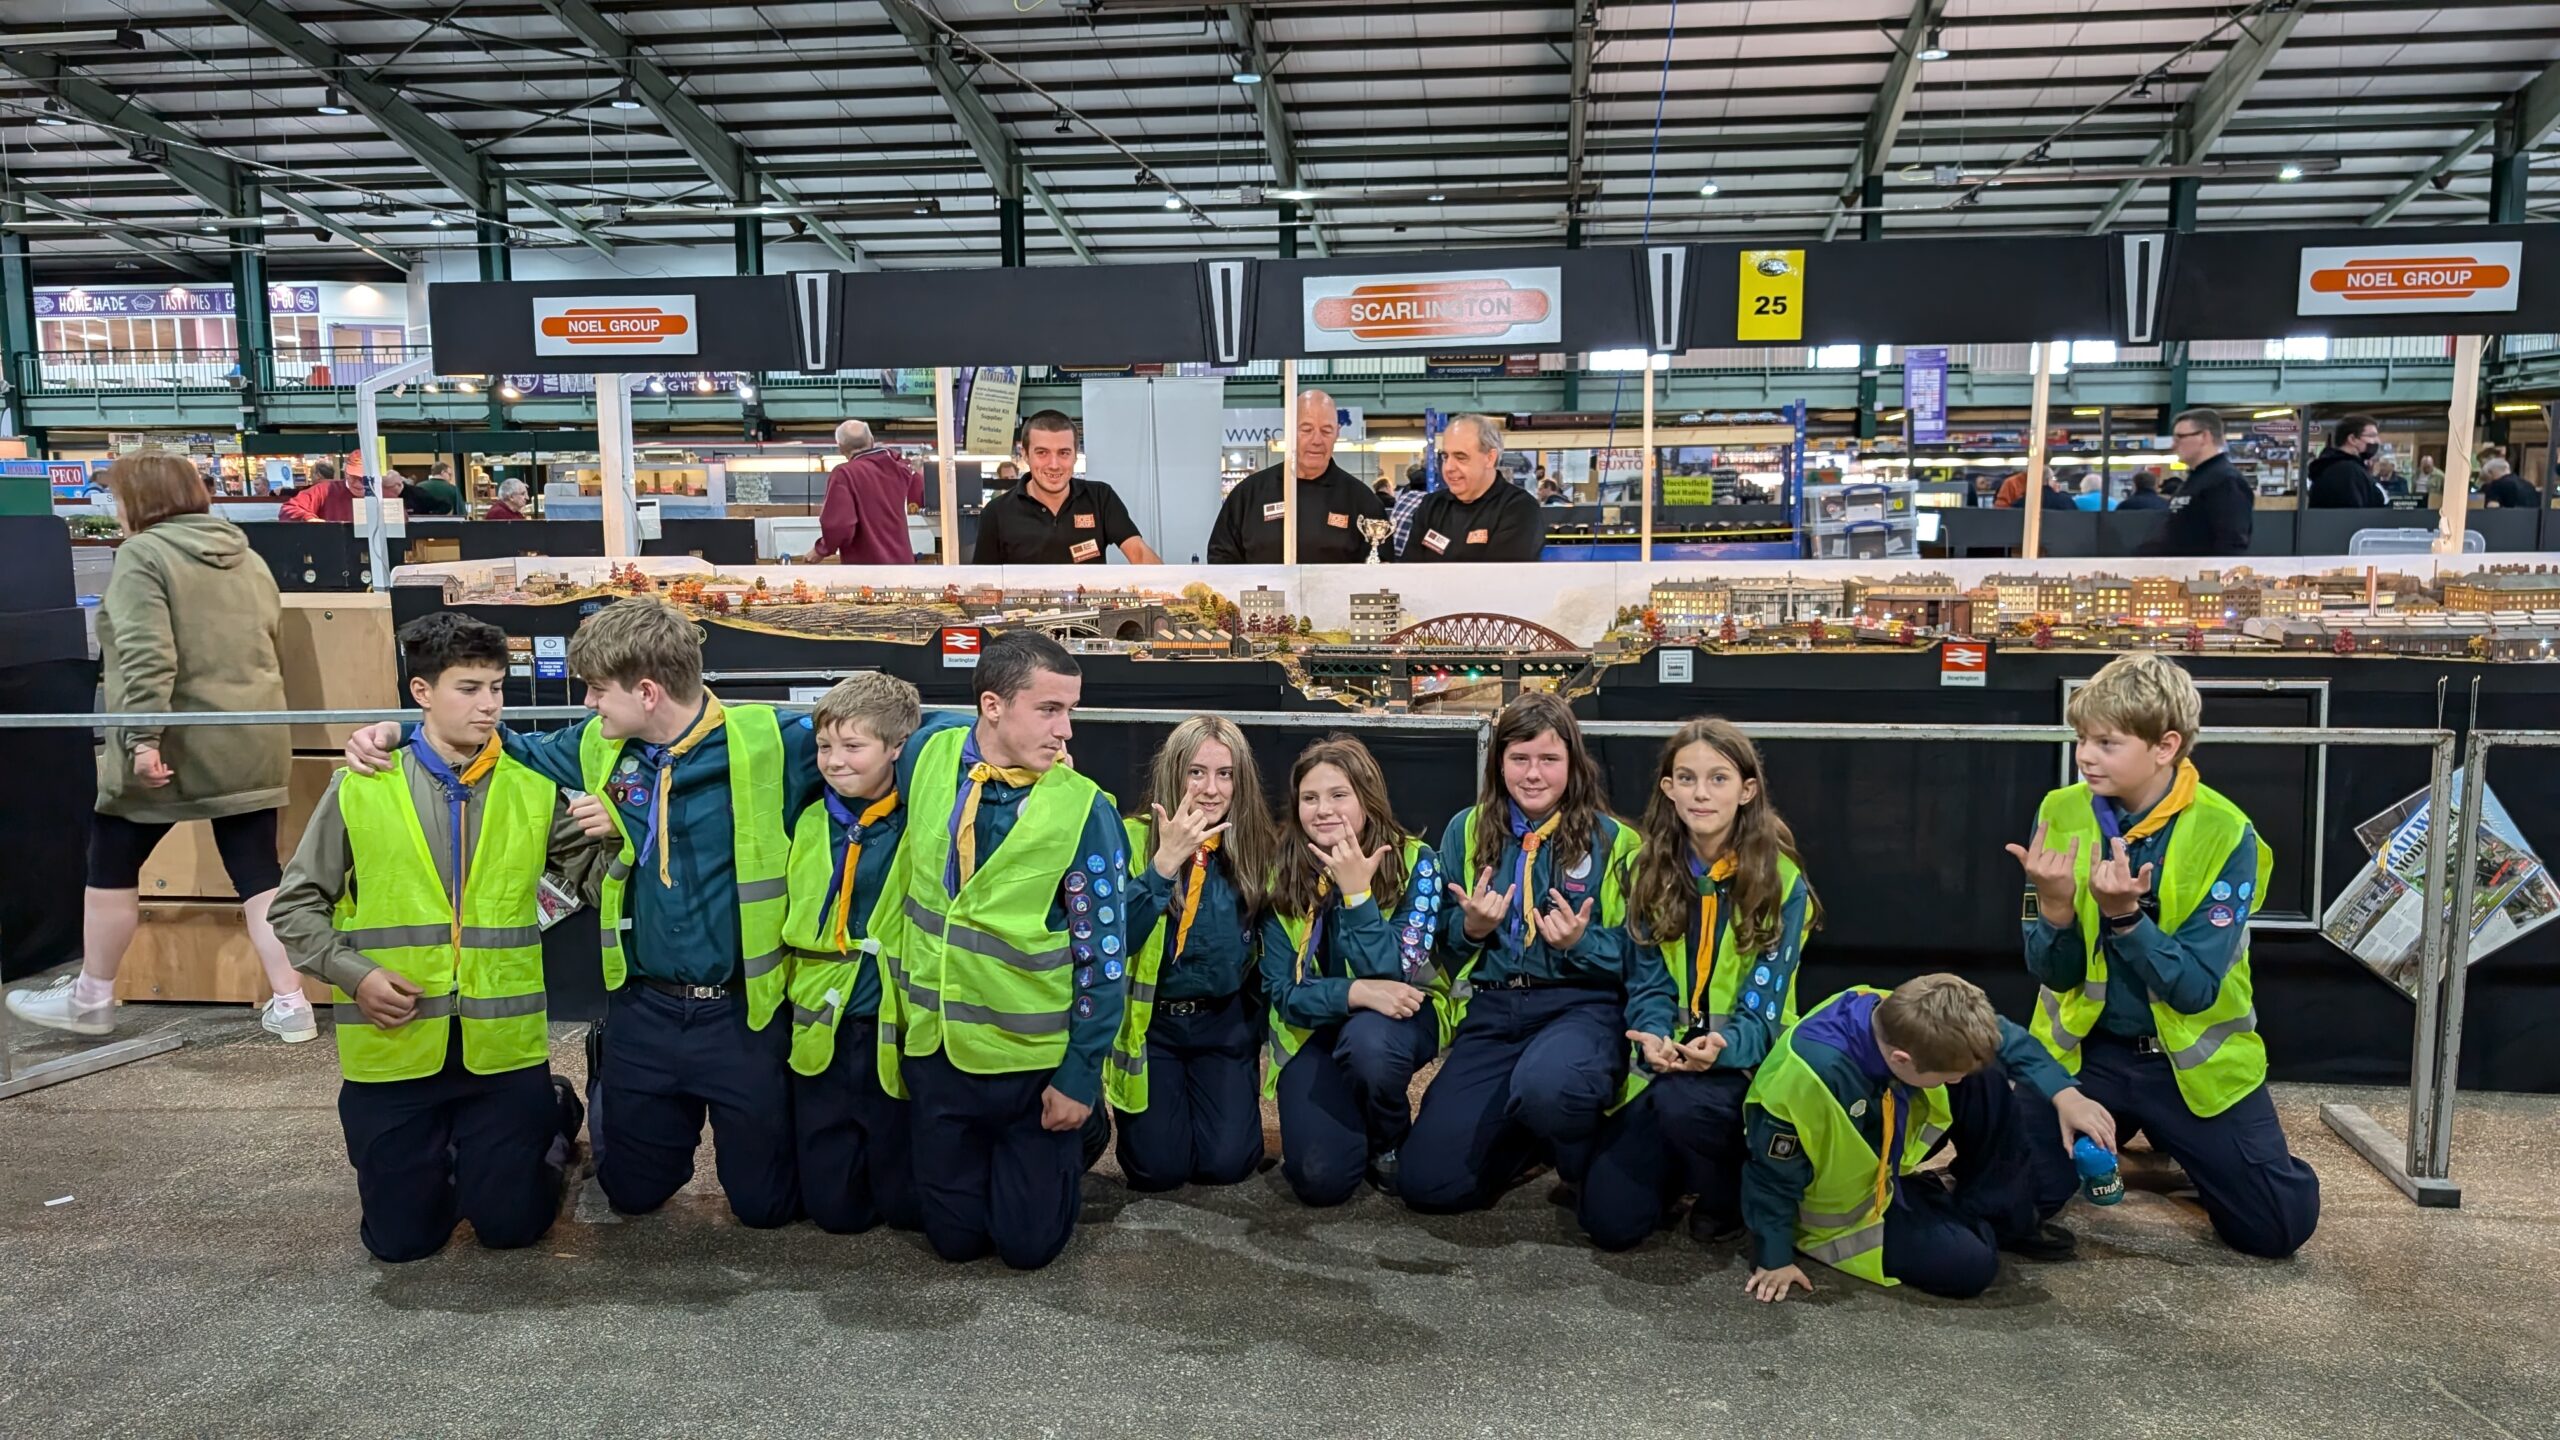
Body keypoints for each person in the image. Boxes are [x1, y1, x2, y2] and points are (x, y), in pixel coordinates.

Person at [343, 597, 826, 1230]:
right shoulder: (597, 745)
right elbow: (505, 745)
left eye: (597, 690)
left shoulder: (776, 741)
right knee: (630, 1193)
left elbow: (893, 736)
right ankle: (596, 1087)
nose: (590, 703)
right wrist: (399, 730)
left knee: (767, 1210)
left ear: (647, 692)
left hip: (743, 1012)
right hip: (645, 1006)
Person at [269, 613, 598, 1262]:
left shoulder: (534, 788)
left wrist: (615, 829)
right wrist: (355, 974)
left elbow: (597, 878)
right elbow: (296, 907)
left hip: (503, 1052)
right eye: (468, 688)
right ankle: (454, 1158)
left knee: (511, 1228)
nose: (489, 705)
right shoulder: (361, 786)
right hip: (394, 1050)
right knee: (401, 1243)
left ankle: (552, 1109)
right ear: (421, 692)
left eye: (496, 687)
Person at [2007, 650, 2321, 1260]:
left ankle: (2215, 1152)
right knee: (2006, 1208)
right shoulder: (2060, 810)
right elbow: (2053, 973)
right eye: (2082, 739)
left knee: (2277, 1228)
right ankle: (2126, 1140)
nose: (2085, 756)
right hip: (2087, 1057)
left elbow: (2196, 990)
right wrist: (2055, 909)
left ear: (2165, 746)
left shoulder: (2226, 832)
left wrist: (2126, 919)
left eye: (2106, 742)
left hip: (2186, 1069)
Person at [7, 456, 307, 1043]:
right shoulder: (245, 555)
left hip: (175, 741)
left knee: (111, 858)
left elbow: (147, 654)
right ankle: (292, 1003)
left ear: (138, 501)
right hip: (254, 735)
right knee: (256, 870)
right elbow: (270, 639)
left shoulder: (144, 556)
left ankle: (91, 998)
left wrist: (143, 738)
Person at [870, 631, 1128, 1269]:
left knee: (1028, 1248)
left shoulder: (1085, 810)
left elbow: (1104, 959)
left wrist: (1078, 1077)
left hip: (1029, 1070)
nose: (1066, 731)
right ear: (991, 706)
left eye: (1070, 711)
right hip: (937, 1051)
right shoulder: (928, 753)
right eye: (1049, 710)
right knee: (954, 1244)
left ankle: (1084, 1129)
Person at [1402, 693, 1673, 1250]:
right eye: (1519, 758)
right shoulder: (1466, 830)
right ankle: (1527, 1136)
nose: (1533, 774)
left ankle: (1578, 1145)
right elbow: (1436, 940)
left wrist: (1581, 943)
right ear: (1498, 763)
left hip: (1582, 1005)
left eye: (1549, 759)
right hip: (1495, 1009)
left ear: (1574, 763)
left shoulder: (1617, 842)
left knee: (1550, 1088)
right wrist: (1470, 928)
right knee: (1428, 1184)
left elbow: (1644, 955)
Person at [1741, 974, 2096, 1302]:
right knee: (1971, 1267)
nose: (1954, 1083)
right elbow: (1770, 1178)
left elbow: (2003, 1036)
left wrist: (2065, 1094)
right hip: (1847, 1212)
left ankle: (1996, 1215)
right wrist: (1774, 1260)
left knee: (1983, 1072)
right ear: (1901, 1059)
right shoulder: (1809, 1079)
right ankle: (1963, 1210)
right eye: (1947, 1077)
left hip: (1889, 1156)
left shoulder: (1897, 1010)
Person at [1613, 718, 1817, 1248]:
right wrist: (1654, 1034)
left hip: (1745, 1065)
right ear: (1668, 789)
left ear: (1747, 791)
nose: (1701, 793)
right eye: (1687, 778)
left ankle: (1729, 1188)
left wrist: (1722, 1047)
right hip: (1666, 1063)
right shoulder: (1644, 869)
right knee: (1610, 1220)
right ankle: (1678, 1170)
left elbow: (1766, 1004)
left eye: (1718, 779)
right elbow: (1648, 981)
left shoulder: (1782, 882)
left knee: (1683, 1107)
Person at [779, 673, 965, 1235]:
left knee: (907, 1210)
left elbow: (958, 732)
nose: (834, 761)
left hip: (895, 1024)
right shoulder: (808, 818)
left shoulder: (926, 821)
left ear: (898, 748)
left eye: (853, 746)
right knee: (835, 1215)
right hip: (822, 1025)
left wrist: (913, 728)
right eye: (824, 746)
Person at [1260, 735, 1444, 1205]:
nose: (1323, 810)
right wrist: (1354, 992)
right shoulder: (1278, 872)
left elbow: (1398, 973)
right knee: (1320, 1181)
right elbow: (1284, 993)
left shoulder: (1418, 861)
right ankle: (1347, 1126)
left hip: (1396, 1020)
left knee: (1368, 1047)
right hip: (1313, 1029)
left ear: (1367, 798)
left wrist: (1358, 896)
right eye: (1310, 798)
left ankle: (1387, 1133)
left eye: (1339, 795)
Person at [1108, 715, 1276, 1191]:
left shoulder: (1258, 849)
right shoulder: (1130, 837)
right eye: (1196, 773)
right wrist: (1163, 866)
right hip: (1153, 1024)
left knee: (1226, 1166)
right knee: (1157, 1171)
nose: (1211, 789)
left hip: (1223, 1023)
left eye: (1225, 774)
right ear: (1173, 773)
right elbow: (1115, 941)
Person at [1206, 388, 1384, 564]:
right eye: (1306, 429)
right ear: (1289, 430)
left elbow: (1381, 569)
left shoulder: (1362, 500)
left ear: (1337, 433)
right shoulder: (1248, 495)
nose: (1316, 440)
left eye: (1326, 431)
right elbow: (1221, 558)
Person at [971, 411, 1161, 565]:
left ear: (1075, 455)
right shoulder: (996, 512)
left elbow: (1138, 552)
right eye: (1042, 453)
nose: (1054, 465)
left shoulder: (1101, 497)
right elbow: (985, 582)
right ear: (1025, 455)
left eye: (1063, 453)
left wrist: (1167, 590)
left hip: (1089, 602)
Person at [1396, 415, 1547, 562]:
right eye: (1446, 457)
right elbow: (1410, 571)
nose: (1448, 467)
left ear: (1490, 458)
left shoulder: (1520, 509)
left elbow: (1501, 575)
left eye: (1461, 457)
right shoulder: (1431, 506)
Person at [808, 419, 924, 566]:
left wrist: (821, 549)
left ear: (841, 448)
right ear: (872, 441)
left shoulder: (844, 474)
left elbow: (839, 525)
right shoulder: (900, 468)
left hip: (867, 568)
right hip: (903, 564)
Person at [2146, 407, 2253, 557]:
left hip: (2202, 570)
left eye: (2179, 437)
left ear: (2204, 436)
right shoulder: (2195, 479)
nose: (2173, 445)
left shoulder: (2225, 481)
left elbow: (2231, 542)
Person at [280, 459, 402, 523]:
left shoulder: (387, 497)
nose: (359, 483)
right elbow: (289, 509)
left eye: (364, 479)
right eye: (354, 477)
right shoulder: (324, 490)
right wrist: (309, 518)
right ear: (346, 473)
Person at [2306, 415, 2388, 509]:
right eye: (2372, 436)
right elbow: (2352, 512)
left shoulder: (2341, 466)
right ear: (2352, 439)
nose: (2378, 441)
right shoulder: (2346, 471)